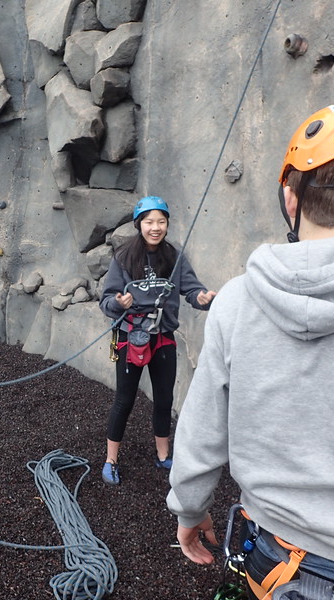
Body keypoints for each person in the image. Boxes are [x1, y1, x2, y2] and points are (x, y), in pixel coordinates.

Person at [167, 103, 334, 599]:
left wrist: (189, 511)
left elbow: (201, 435)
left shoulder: (237, 301)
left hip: (274, 560)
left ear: (290, 198)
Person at [98, 196, 216, 485]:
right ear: (139, 224)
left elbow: (192, 289)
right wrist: (119, 303)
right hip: (131, 336)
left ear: (167, 225)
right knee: (124, 400)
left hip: (162, 337)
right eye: (149, 222)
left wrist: (201, 298)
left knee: (164, 399)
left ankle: (163, 455)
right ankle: (111, 459)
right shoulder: (124, 257)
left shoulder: (174, 257)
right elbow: (106, 301)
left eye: (161, 222)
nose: (155, 227)